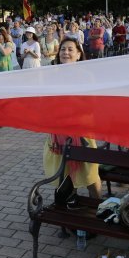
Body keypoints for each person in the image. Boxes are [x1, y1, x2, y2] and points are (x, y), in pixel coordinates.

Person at [42, 39, 101, 199]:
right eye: (62, 49)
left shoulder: (87, 76)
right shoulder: (51, 76)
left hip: (82, 133)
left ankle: (97, 207)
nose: (66, 52)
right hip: (58, 133)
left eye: (70, 49)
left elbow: (91, 105)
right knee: (66, 177)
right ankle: (71, 206)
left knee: (90, 176)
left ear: (78, 54)